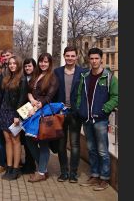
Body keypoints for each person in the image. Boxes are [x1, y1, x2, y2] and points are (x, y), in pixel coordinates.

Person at [76, 47, 119, 191]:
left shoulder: (109, 77)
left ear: (101, 59)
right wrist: (80, 109)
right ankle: (94, 175)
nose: (94, 61)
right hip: (87, 119)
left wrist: (104, 110)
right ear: (89, 60)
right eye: (92, 58)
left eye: (96, 58)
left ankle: (104, 178)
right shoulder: (85, 76)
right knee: (91, 149)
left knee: (102, 150)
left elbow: (116, 97)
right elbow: (80, 95)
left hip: (100, 120)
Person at [53, 46, 86, 183]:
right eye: (68, 55)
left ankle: (73, 173)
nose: (70, 58)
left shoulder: (83, 72)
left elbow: (84, 94)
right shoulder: (57, 72)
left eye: (73, 56)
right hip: (60, 113)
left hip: (75, 114)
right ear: (64, 56)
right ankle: (63, 172)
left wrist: (80, 110)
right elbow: (53, 91)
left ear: (76, 57)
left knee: (75, 144)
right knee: (61, 145)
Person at [24, 53, 59, 183]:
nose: (43, 64)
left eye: (46, 62)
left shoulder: (53, 78)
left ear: (50, 63)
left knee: (43, 142)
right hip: (32, 110)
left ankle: (41, 172)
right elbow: (29, 90)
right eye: (41, 61)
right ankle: (43, 168)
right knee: (29, 139)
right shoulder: (36, 74)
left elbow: (49, 97)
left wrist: (35, 107)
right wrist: (32, 100)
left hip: (43, 112)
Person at [0, 56, 28, 180]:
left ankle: (16, 169)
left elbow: (22, 99)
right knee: (8, 141)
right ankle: (9, 167)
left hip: (14, 114)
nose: (12, 65)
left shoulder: (22, 79)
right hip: (4, 112)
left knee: (16, 141)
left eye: (14, 63)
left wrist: (17, 116)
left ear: (18, 65)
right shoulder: (7, 78)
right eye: (10, 63)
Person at [20, 57, 37, 175]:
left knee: (31, 140)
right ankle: (27, 163)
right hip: (23, 112)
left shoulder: (37, 79)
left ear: (34, 67)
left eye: (29, 66)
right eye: (25, 66)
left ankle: (31, 165)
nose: (27, 68)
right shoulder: (23, 78)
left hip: (33, 112)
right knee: (25, 141)